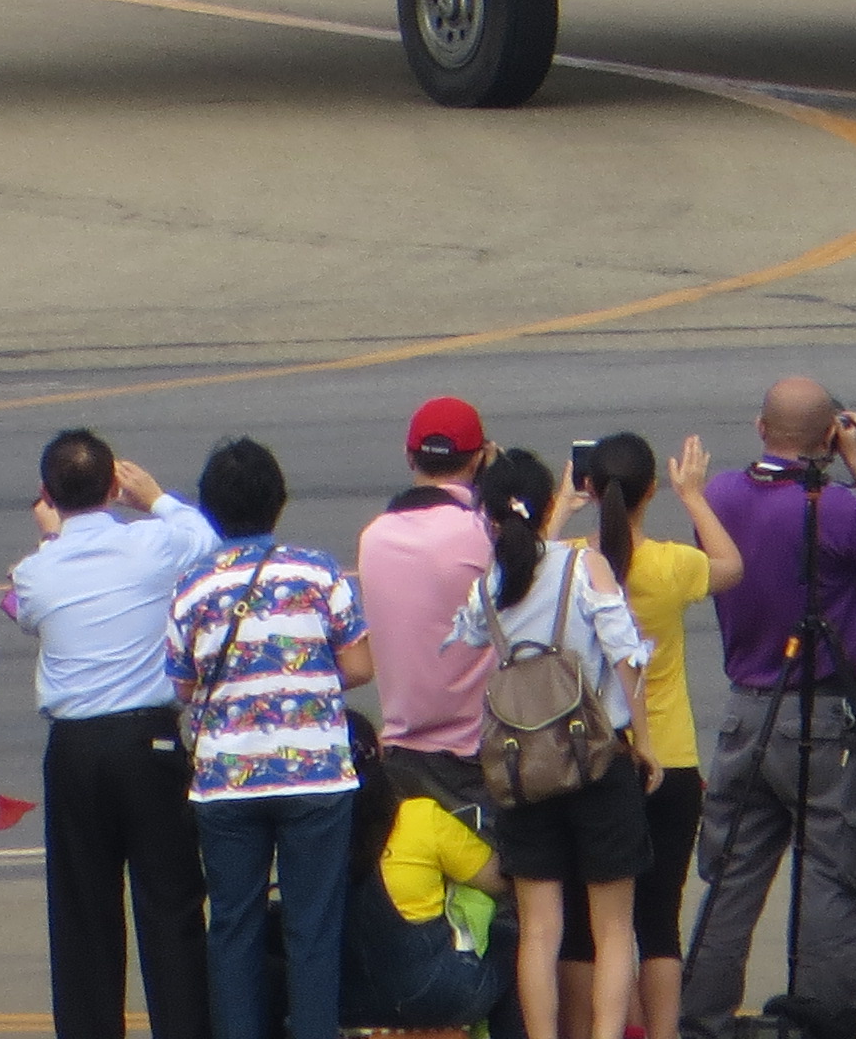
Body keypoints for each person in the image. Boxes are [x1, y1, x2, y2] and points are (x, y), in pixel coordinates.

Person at [677, 380, 856, 1039]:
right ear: (827, 439)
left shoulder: (720, 495)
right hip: (824, 713)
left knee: (731, 874)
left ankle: (703, 1015)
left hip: (746, 708)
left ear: (760, 429)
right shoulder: (835, 507)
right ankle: (823, 1015)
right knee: (837, 870)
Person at [6, 432, 218, 1039]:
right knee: (172, 907)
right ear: (111, 487)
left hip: (74, 750)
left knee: (82, 916)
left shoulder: (35, 572)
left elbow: (29, 611)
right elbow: (204, 539)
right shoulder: (155, 544)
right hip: (149, 743)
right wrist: (155, 498)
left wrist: (51, 537)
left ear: (48, 494)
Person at [166, 439, 373, 1039]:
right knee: (314, 929)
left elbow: (182, 686)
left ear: (208, 509)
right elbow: (359, 667)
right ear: (279, 502)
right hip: (315, 774)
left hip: (226, 778)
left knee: (233, 927)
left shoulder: (191, 586)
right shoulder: (317, 570)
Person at [450, 450, 655, 1039]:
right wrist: (641, 740)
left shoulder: (489, 588)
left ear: (488, 517)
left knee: (540, 931)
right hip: (596, 761)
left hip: (521, 770)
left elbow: (466, 634)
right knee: (614, 929)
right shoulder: (585, 567)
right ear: (545, 506)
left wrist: (548, 518)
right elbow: (625, 655)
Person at [555, 434, 740, 1039]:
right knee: (659, 922)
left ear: (589, 487)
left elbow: (526, 562)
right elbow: (731, 565)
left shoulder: (574, 565)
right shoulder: (669, 565)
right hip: (673, 758)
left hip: (591, 759)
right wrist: (694, 497)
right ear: (650, 492)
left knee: (586, 927)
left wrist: (559, 509)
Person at [356, 401, 498, 819]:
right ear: (481, 457)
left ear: (408, 455)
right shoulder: (480, 533)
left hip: (402, 755)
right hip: (474, 753)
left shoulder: (374, 537)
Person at [343, 722, 520, 1039]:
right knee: (517, 940)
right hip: (438, 993)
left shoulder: (313, 841)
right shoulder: (418, 817)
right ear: (381, 756)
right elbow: (498, 880)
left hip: (349, 1000)